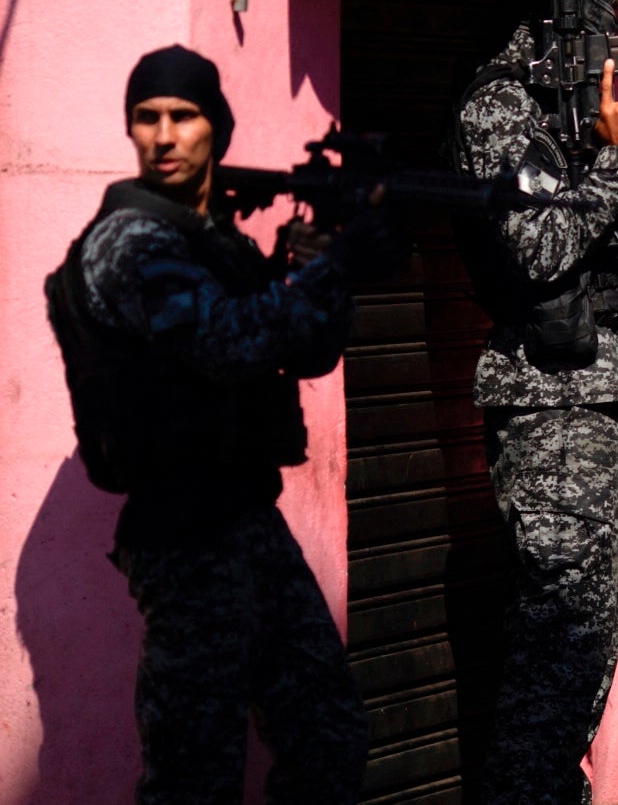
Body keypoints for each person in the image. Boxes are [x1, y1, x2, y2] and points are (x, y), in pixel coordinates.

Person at [45, 45, 393, 803]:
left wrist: (323, 259)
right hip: (183, 539)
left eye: (183, 116)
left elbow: (305, 349)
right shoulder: (130, 243)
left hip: (246, 521)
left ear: (217, 128)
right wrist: (329, 266)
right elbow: (225, 344)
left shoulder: (212, 242)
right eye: (147, 118)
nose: (163, 136)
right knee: (195, 774)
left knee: (328, 733)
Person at [451, 0, 618, 805]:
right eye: (602, 12)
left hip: (591, 393)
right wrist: (613, 164)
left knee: (587, 636)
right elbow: (534, 252)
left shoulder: (558, 111)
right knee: (556, 634)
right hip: (549, 400)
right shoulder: (498, 110)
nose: (613, 30)